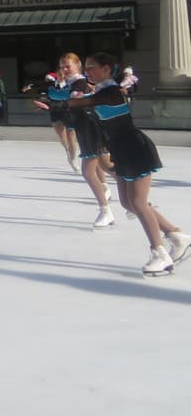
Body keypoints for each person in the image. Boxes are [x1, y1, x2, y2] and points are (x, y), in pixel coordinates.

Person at [70, 53, 190, 275]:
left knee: (139, 202)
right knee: (127, 203)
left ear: (107, 69)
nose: (89, 72)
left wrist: (59, 101)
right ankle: (176, 235)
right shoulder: (101, 91)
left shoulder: (111, 91)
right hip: (121, 151)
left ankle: (160, 253)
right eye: (86, 69)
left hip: (135, 147)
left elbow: (84, 102)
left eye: (92, 68)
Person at [59, 53, 116, 229]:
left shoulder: (80, 83)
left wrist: (56, 103)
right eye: (62, 66)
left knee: (88, 172)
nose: (65, 69)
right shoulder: (72, 84)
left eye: (68, 66)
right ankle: (137, 198)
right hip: (86, 129)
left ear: (77, 65)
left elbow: (76, 103)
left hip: (90, 130)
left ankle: (106, 210)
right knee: (107, 167)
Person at [33, 67, 78, 172]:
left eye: (64, 74)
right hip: (55, 111)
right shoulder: (51, 86)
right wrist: (42, 106)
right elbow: (42, 92)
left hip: (68, 111)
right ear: (56, 75)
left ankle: (74, 158)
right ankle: (68, 152)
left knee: (71, 135)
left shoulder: (71, 85)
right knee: (61, 136)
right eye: (59, 74)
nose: (62, 76)